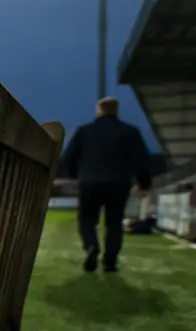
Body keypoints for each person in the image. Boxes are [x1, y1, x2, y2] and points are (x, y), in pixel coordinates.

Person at [62, 97, 152, 273]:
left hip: (90, 182)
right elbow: (142, 161)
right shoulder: (130, 132)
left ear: (99, 110)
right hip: (119, 183)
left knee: (87, 220)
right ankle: (110, 261)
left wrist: (78, 175)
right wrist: (144, 183)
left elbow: (68, 158)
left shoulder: (84, 131)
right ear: (116, 110)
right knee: (114, 223)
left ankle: (90, 246)